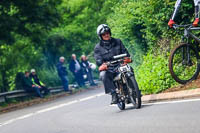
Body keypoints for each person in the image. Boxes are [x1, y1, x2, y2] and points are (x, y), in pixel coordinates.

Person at [94, 24, 130, 104]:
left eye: (107, 33)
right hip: (109, 68)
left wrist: (127, 58)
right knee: (103, 75)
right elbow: (98, 59)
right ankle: (114, 94)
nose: (106, 35)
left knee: (129, 69)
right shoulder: (98, 47)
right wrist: (102, 64)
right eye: (104, 34)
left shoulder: (118, 41)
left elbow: (125, 52)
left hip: (120, 65)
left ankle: (134, 89)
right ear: (100, 36)